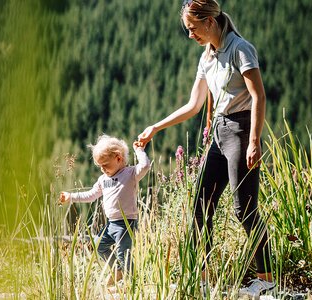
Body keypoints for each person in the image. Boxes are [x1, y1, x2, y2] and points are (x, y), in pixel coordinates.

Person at [138, 0, 275, 297]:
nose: (190, 35)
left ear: (209, 22)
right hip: (219, 134)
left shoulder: (240, 49)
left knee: (244, 209)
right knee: (201, 207)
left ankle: (266, 279)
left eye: (192, 28)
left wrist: (254, 141)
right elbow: (193, 105)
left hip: (240, 131)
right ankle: (206, 277)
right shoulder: (207, 57)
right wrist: (155, 127)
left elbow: (259, 96)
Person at [58, 134, 150, 286]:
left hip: (126, 223)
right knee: (98, 244)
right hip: (111, 223)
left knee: (123, 253)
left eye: (105, 165)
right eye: (99, 166)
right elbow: (91, 195)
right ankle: (117, 270)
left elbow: (145, 165)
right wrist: (71, 197)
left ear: (118, 158)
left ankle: (131, 284)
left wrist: (139, 151)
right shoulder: (103, 180)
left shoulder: (130, 174)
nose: (102, 169)